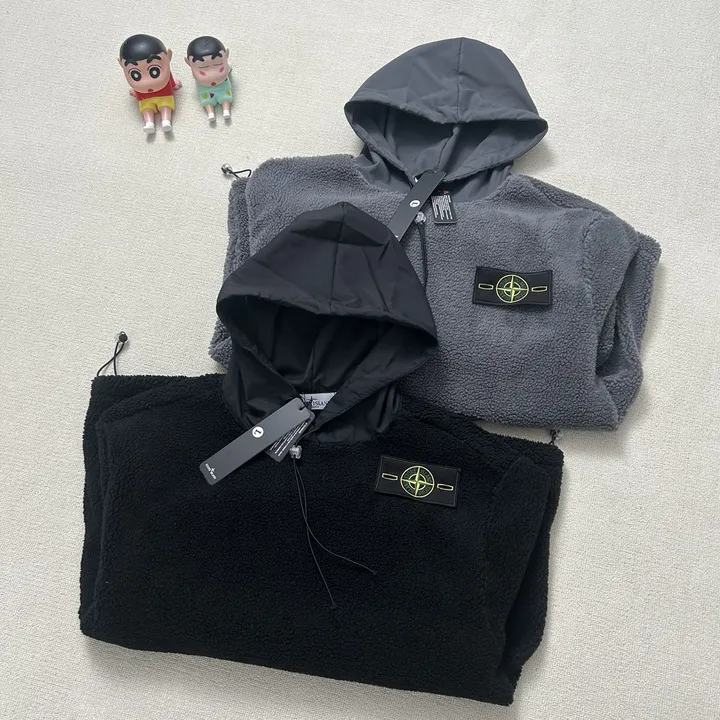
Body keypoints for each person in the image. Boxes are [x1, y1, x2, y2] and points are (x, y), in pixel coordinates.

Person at [119, 34, 181, 134]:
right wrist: (135, 90)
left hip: (164, 94)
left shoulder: (167, 75)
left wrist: (173, 85)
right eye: (136, 75)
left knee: (165, 106)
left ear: (168, 57)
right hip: (145, 98)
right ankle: (149, 123)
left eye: (154, 71)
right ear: (121, 65)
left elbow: (170, 79)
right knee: (147, 109)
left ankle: (166, 121)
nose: (147, 83)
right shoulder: (139, 88)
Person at [185, 36, 233, 123]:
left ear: (226, 56)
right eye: (202, 68)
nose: (212, 75)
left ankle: (226, 111)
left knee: (225, 98)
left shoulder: (227, 66)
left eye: (218, 64)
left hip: (223, 86)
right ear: (189, 63)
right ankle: (210, 113)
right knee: (207, 101)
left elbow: (229, 68)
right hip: (205, 90)